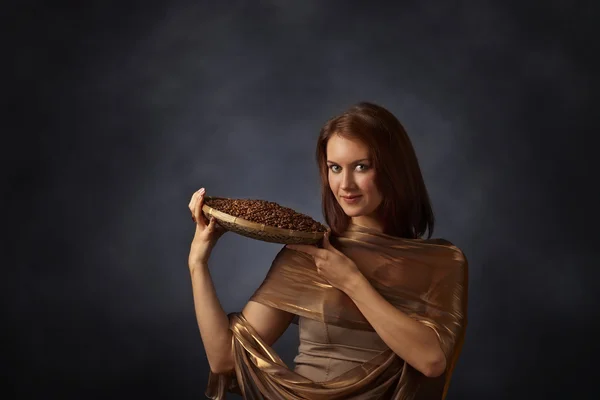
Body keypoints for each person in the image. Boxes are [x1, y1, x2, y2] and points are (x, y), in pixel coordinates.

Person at [187, 102, 468, 399]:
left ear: (393, 169)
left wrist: (352, 282)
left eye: (362, 166)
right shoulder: (308, 254)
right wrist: (198, 263)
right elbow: (225, 360)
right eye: (335, 168)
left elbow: (432, 361)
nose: (345, 184)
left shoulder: (442, 262)